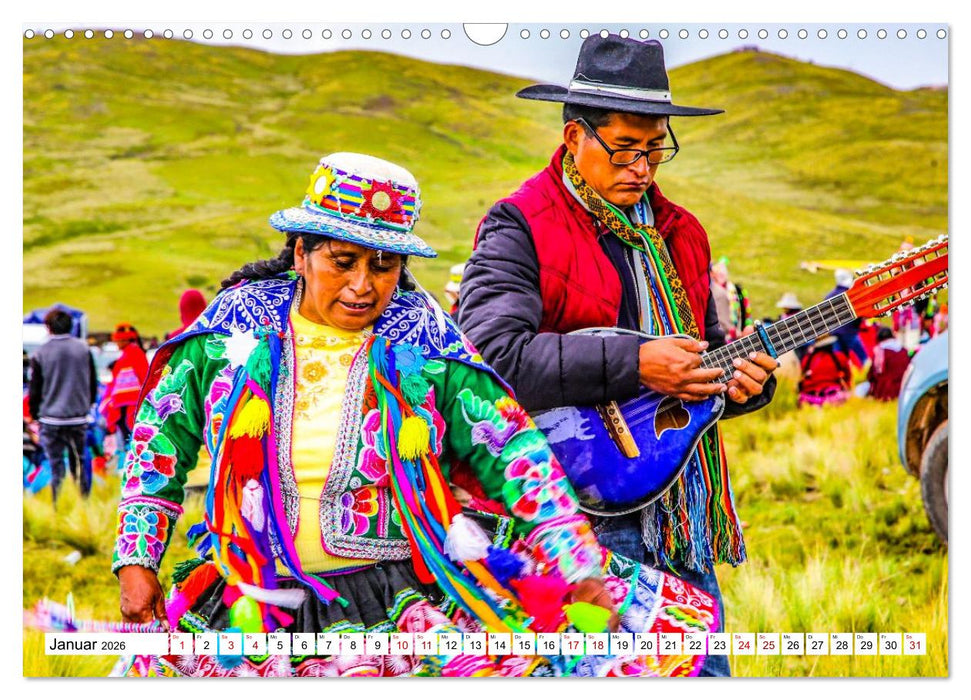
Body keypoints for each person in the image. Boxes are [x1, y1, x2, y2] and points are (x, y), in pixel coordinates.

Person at [112, 153, 720, 678]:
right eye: (342, 261)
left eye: (383, 267)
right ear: (301, 253)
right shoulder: (234, 326)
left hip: (395, 604)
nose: (362, 285)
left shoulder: (422, 339)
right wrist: (137, 559)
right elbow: (158, 440)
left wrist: (574, 560)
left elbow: (513, 449)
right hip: (247, 604)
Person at [458, 35, 777, 676]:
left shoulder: (681, 233)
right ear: (575, 137)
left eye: (657, 149)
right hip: (571, 515)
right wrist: (638, 363)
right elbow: (489, 362)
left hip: (675, 504)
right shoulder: (520, 224)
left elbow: (703, 356)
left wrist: (746, 381)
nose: (644, 168)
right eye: (625, 149)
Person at [27, 309, 99, 501]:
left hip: (51, 418)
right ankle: (84, 501)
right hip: (78, 416)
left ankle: (58, 504)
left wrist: (35, 414)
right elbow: (92, 381)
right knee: (80, 461)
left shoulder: (41, 353)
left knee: (56, 464)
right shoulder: (83, 349)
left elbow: (35, 388)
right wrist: (88, 404)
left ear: (48, 327)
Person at [100, 323, 149, 448]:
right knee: (125, 428)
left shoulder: (133, 353)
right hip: (126, 402)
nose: (116, 343)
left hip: (129, 402)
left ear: (125, 339)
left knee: (129, 428)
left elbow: (143, 376)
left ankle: (131, 452)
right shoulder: (130, 353)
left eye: (118, 340)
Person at [826, 269, 868, 366]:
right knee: (863, 358)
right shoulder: (851, 294)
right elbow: (860, 313)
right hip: (850, 331)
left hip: (834, 333)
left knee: (838, 360)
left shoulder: (829, 296)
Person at [797, 335, 852, 407]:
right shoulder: (840, 357)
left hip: (808, 398)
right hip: (832, 396)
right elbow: (848, 378)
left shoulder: (806, 360)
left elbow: (803, 377)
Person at [710, 257, 753, 342]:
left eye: (723, 273)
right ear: (712, 275)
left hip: (735, 332)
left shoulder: (736, 290)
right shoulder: (715, 292)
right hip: (725, 335)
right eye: (718, 273)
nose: (721, 275)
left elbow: (745, 311)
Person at [867, 326, 911, 401]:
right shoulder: (904, 350)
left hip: (888, 390)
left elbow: (875, 373)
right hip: (907, 387)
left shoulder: (880, 351)